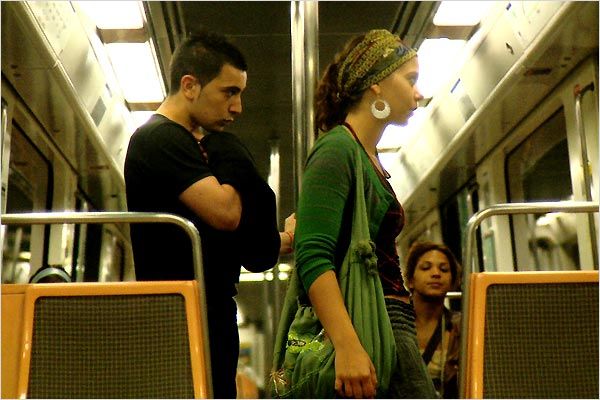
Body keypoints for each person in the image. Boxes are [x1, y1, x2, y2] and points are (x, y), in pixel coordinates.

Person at [124, 30, 295, 399]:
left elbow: (231, 240)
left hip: (204, 308)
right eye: (229, 92)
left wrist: (282, 239)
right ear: (190, 86)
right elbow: (225, 213)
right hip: (181, 312)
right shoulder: (159, 139)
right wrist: (232, 152)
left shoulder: (190, 143)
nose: (237, 107)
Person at [294, 29, 436, 398]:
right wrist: (347, 345)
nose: (418, 93)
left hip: (391, 318)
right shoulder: (336, 149)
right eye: (410, 80)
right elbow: (313, 255)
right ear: (376, 85)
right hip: (368, 317)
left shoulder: (366, 155)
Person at [403, 241, 462, 399]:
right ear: (410, 280)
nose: (436, 273)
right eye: (426, 267)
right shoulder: (394, 325)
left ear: (452, 282)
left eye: (444, 269)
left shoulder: (462, 328)